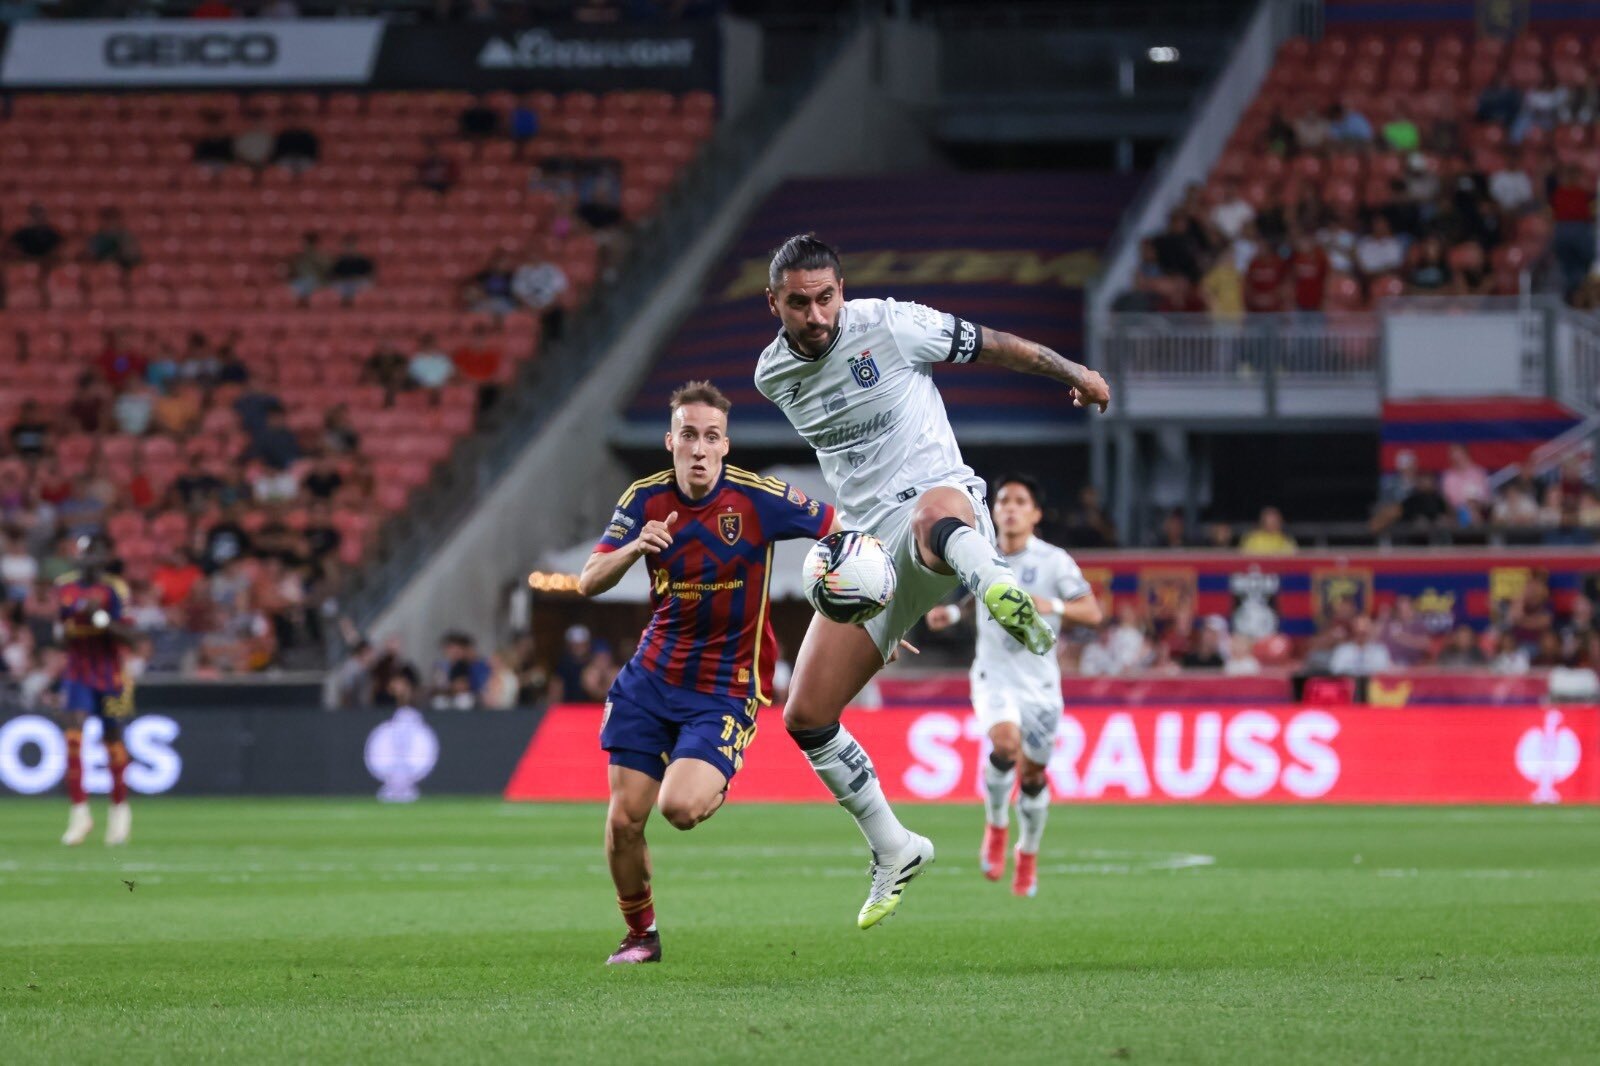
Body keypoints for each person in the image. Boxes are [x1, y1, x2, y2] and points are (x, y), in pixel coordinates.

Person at [753, 234, 1110, 928]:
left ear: (842, 291)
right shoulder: (773, 375)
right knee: (806, 713)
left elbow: (997, 345)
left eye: (826, 298)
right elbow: (852, 470)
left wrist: (1075, 372)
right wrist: (888, 604)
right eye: (799, 304)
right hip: (870, 554)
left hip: (942, 499)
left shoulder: (892, 325)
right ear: (775, 304)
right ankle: (894, 846)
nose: (817, 315)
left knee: (930, 518)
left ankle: (994, 583)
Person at [576, 380, 837, 965]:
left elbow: (842, 530)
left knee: (680, 809)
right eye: (688, 435)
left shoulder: (759, 499)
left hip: (724, 687)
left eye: (711, 436)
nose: (699, 448)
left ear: (725, 444)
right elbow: (588, 580)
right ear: (670, 441)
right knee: (623, 821)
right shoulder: (644, 499)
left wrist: (876, 611)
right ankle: (641, 935)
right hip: (651, 679)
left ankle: (713, 771)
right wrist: (634, 548)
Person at [922, 474, 1100, 898]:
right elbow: (976, 596)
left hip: (1040, 683)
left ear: (1035, 514)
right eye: (1003, 501)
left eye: (1021, 501)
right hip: (993, 673)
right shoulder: (982, 553)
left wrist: (1052, 605)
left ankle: (1028, 852)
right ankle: (997, 824)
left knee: (1034, 775)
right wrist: (953, 614)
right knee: (1005, 745)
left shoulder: (1054, 561)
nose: (1010, 508)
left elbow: (1092, 612)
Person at [55, 534, 136, 847]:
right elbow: (59, 635)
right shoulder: (65, 587)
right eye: (82, 553)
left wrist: (100, 619)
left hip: (111, 675)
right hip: (77, 672)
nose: (87, 559)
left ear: (103, 557)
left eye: (93, 553)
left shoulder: (115, 589)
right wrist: (74, 622)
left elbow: (129, 635)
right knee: (73, 736)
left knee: (113, 739)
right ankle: (79, 813)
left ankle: (119, 810)